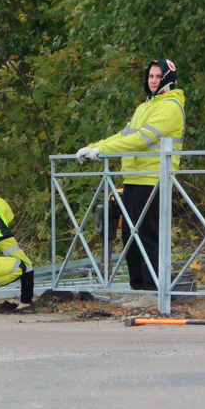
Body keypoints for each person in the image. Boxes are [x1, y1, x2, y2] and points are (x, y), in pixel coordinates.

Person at [76, 58, 185, 293]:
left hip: (154, 180)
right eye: (151, 76)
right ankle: (138, 289)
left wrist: (102, 151)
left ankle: (153, 291)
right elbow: (123, 135)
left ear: (168, 79)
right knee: (131, 238)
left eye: (158, 76)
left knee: (147, 237)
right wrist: (95, 147)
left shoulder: (171, 107)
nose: (154, 80)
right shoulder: (145, 106)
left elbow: (140, 140)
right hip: (134, 179)